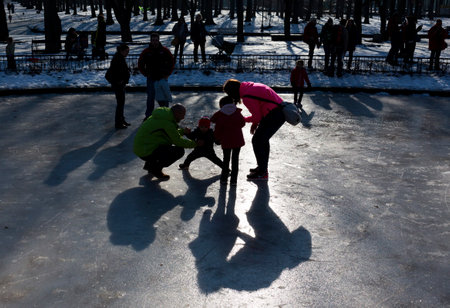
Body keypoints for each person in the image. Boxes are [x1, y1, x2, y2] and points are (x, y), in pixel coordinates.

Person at [223, 79, 286, 181]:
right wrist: (255, 124)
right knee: (261, 140)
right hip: (277, 112)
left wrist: (243, 119)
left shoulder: (247, 97)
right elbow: (260, 109)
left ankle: (262, 172)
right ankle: (262, 168)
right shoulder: (250, 87)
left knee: (258, 141)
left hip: (274, 115)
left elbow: (257, 116)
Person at [133, 104, 198, 180]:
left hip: (143, 147)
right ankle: (155, 169)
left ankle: (150, 165)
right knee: (179, 151)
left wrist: (183, 131)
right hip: (145, 150)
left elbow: (169, 133)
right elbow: (178, 141)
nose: (183, 117)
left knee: (164, 146)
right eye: (182, 115)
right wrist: (195, 144)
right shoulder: (167, 123)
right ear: (176, 113)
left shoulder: (164, 117)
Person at [138, 33, 175, 120]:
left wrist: (167, 74)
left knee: (164, 97)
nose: (155, 42)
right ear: (151, 41)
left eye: (156, 40)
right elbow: (140, 64)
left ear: (158, 40)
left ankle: (166, 115)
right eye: (153, 40)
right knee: (150, 98)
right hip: (151, 78)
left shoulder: (165, 51)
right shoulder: (146, 52)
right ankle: (148, 116)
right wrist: (145, 73)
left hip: (162, 78)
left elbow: (171, 62)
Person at [211, 96, 246, 186]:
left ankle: (224, 179)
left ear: (222, 105)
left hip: (226, 141)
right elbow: (242, 123)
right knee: (235, 160)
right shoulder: (237, 112)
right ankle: (234, 180)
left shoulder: (220, 114)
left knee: (226, 160)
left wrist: (216, 138)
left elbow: (215, 124)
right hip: (237, 140)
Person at [105, 44, 131, 129]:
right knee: (120, 103)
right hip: (118, 85)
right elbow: (116, 72)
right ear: (122, 51)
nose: (128, 53)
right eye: (126, 51)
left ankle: (121, 120)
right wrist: (120, 81)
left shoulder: (119, 57)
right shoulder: (118, 59)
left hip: (120, 84)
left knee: (121, 103)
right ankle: (118, 123)